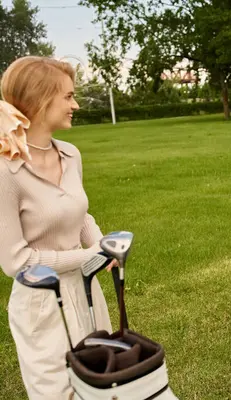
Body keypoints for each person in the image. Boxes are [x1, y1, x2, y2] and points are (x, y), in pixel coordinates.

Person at [0, 56, 116, 399]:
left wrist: (102, 245)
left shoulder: (70, 154)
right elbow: (16, 262)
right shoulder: (6, 171)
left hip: (88, 293)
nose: (75, 105)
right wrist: (89, 255)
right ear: (39, 100)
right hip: (42, 306)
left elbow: (80, 214)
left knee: (102, 387)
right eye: (67, 97)